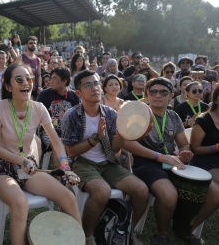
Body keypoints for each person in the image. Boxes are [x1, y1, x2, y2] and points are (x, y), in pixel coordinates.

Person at [0, 62, 81, 245]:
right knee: (20, 203)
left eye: (29, 78)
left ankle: (80, 241)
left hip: (28, 169)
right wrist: (21, 160)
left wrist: (65, 167)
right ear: (8, 86)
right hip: (3, 169)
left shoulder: (38, 108)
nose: (26, 83)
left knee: (68, 197)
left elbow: (56, 142)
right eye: (19, 79)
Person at [123, 77, 218, 244]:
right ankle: (162, 233)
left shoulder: (173, 116)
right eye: (153, 92)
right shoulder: (139, 114)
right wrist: (160, 156)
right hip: (147, 164)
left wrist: (184, 153)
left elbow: (183, 144)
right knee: (169, 195)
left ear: (171, 96)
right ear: (148, 94)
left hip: (172, 162)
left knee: (213, 193)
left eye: (163, 92)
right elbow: (127, 143)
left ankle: (184, 229)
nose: (157, 95)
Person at [60, 70, 148, 245]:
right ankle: (88, 233)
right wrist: (96, 138)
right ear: (78, 93)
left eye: (97, 83)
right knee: (102, 191)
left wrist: (124, 131)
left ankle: (127, 230)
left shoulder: (110, 113)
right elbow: (71, 152)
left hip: (107, 161)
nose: (95, 88)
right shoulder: (71, 116)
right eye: (88, 85)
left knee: (141, 190)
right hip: (82, 162)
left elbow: (115, 147)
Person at [36, 67, 80, 170]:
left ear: (64, 81)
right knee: (58, 143)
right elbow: (36, 115)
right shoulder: (44, 95)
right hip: (48, 132)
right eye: (51, 78)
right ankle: (59, 177)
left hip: (70, 133)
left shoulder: (74, 96)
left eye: (54, 78)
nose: (51, 81)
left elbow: (79, 117)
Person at [190, 85, 219, 183]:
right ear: (215, 100)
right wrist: (215, 147)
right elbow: (195, 149)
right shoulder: (203, 121)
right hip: (205, 162)